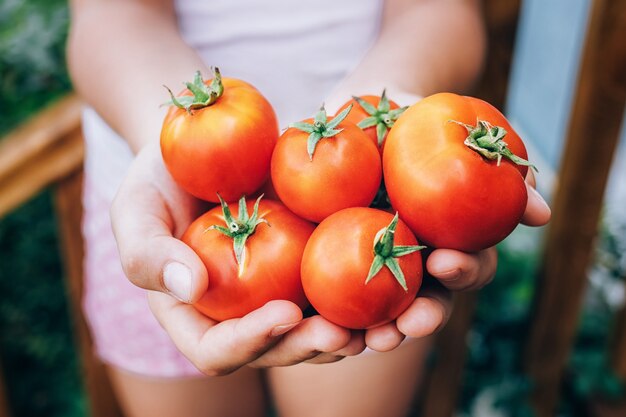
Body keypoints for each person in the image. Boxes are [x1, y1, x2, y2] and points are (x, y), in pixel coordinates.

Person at [67, 0, 552, 416]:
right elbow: (110, 15)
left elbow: (439, 9)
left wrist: (384, 114)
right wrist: (167, 139)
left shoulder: (388, 229)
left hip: (379, 199)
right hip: (165, 213)